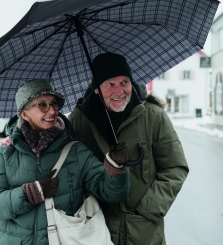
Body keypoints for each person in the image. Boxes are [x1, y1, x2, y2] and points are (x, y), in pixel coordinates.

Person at [0, 79, 130, 245]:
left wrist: (115, 168)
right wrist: (31, 194)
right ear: (24, 113)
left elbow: (112, 193)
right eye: (42, 105)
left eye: (54, 104)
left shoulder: (76, 151)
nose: (52, 111)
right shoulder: (7, 153)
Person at [68, 52, 189, 245]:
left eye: (124, 82)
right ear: (97, 89)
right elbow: (62, 157)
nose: (120, 91)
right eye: (110, 84)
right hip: (96, 229)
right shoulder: (80, 120)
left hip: (143, 231)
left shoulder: (153, 116)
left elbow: (175, 168)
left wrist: (148, 209)